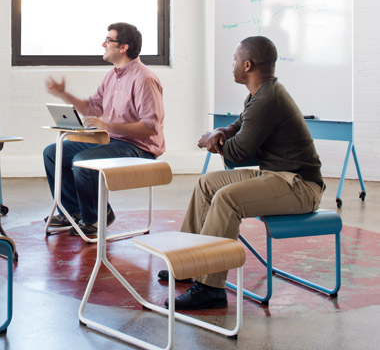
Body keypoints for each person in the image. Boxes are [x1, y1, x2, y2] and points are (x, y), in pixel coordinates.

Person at [160, 36, 324, 310]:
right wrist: (220, 132)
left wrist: (209, 141)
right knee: (206, 184)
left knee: (227, 199)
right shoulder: (260, 94)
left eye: (235, 60)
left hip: (301, 187)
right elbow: (237, 126)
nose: (232, 65)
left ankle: (209, 287)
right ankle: (188, 262)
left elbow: (237, 153)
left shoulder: (268, 99)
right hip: (275, 176)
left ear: (247, 65)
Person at [43, 22, 165, 237]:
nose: (103, 44)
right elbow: (92, 106)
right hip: (112, 141)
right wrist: (64, 94)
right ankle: (73, 211)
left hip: (139, 148)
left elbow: (151, 126)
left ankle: (97, 216)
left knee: (83, 160)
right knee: (52, 153)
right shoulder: (112, 75)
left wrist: (106, 125)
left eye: (108, 40)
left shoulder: (144, 79)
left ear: (123, 47)